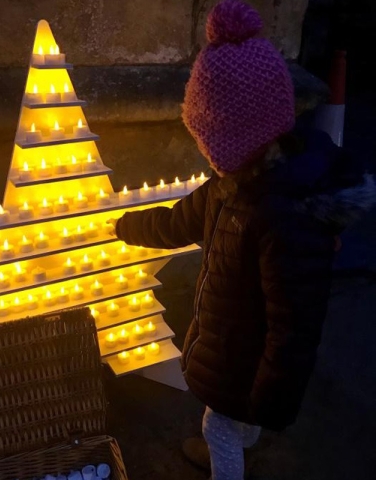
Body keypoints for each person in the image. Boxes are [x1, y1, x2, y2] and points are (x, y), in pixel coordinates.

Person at [108, 1, 376, 479]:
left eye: (208, 140)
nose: (207, 155)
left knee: (219, 429)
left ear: (234, 136)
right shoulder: (229, 185)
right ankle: (246, 431)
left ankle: (227, 466)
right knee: (238, 421)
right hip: (233, 349)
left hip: (245, 360)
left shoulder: (284, 214)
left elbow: (293, 325)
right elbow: (178, 222)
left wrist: (270, 398)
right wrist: (124, 226)